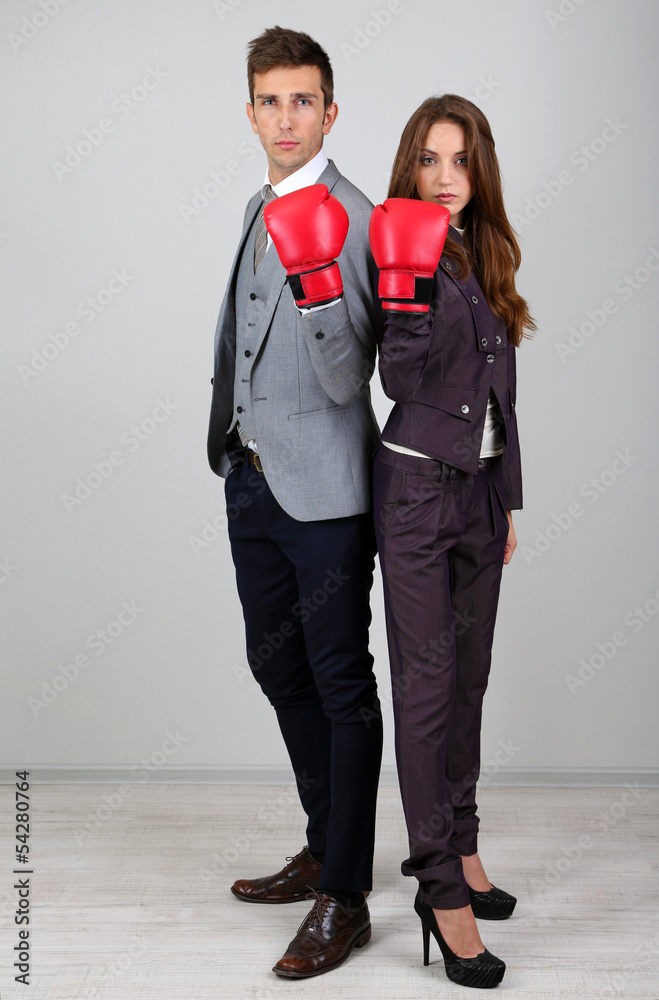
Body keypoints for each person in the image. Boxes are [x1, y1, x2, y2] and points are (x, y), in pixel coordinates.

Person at [206, 26, 382, 979]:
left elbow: (354, 374)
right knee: (279, 672)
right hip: (252, 477)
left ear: (329, 110)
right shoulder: (254, 201)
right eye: (269, 101)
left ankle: (346, 897)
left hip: (326, 494)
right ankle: (325, 844)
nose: (285, 117)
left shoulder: (354, 216)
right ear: (250, 111)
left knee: (341, 684)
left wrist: (317, 291)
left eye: (302, 100)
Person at [368, 94, 535, 989]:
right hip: (416, 496)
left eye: (459, 161)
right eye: (428, 161)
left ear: (479, 170)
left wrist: (505, 499)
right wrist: (408, 293)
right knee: (427, 693)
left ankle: (463, 850)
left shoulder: (487, 249)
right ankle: (440, 890)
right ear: (409, 167)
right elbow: (396, 375)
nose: (443, 179)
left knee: (467, 682)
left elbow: (501, 393)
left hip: (476, 493)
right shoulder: (404, 244)